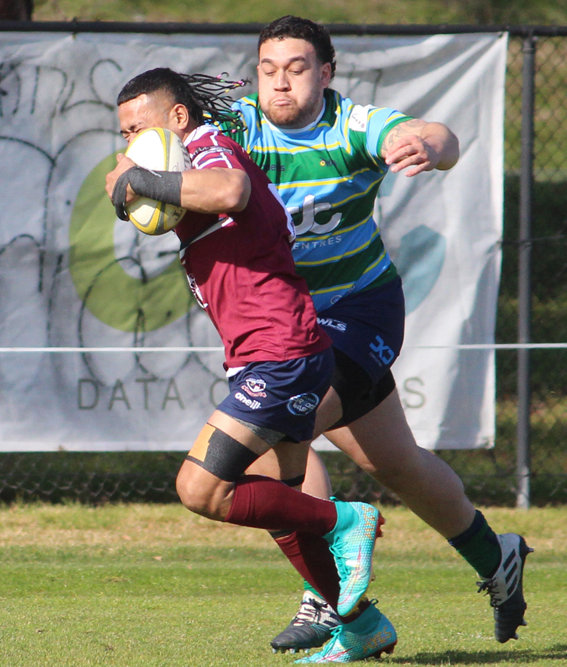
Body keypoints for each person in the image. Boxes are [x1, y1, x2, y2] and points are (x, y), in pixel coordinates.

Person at [219, 16, 533, 660]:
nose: (280, 83)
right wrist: (134, 174)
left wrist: (429, 146)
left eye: (297, 69)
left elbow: (437, 135)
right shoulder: (238, 127)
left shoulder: (351, 125)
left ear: (326, 73)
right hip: (282, 323)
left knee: (275, 431)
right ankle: (496, 555)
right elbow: (168, 150)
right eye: (268, 69)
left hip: (357, 311)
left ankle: (331, 599)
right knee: (395, 464)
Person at [103, 67, 394, 656]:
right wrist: (133, 181)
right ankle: (363, 628)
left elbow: (231, 191)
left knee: (201, 490)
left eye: (139, 128)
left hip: (281, 353)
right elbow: (162, 205)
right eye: (125, 133)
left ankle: (347, 522)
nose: (131, 141)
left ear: (178, 117)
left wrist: (140, 177)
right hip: (267, 353)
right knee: (286, 509)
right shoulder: (185, 166)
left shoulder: (208, 144)